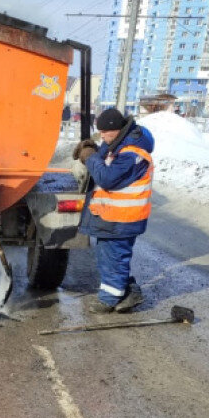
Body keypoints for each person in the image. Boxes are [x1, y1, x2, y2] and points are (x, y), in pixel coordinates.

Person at [74, 106, 154, 313]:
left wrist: (90, 158)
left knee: (114, 258)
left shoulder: (132, 153)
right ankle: (128, 292)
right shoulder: (120, 143)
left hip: (122, 219)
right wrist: (93, 150)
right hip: (112, 217)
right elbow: (103, 158)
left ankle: (109, 299)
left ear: (116, 129)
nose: (102, 136)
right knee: (110, 258)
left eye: (104, 132)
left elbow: (107, 178)